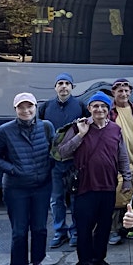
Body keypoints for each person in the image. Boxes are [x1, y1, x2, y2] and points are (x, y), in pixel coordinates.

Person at [57, 92, 133, 265]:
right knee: (84, 228)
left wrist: (127, 179)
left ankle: (98, 260)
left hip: (108, 186)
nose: (99, 110)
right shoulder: (78, 127)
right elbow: (63, 152)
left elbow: (122, 156)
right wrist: (81, 135)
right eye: (95, 106)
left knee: (104, 227)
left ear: (109, 110)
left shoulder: (115, 129)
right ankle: (83, 264)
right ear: (89, 108)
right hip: (84, 186)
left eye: (104, 107)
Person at [0, 92, 55, 265]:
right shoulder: (4, 131)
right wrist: (13, 169)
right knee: (19, 230)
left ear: (36, 107)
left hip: (41, 186)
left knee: (40, 228)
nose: (26, 111)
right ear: (15, 109)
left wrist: (47, 168)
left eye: (30, 106)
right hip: (15, 188)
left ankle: (37, 264)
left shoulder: (46, 126)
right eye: (21, 107)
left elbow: (55, 151)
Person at [38, 73, 86, 249]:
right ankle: (60, 231)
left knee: (75, 198)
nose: (64, 86)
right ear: (55, 87)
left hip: (74, 161)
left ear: (72, 87)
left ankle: (75, 232)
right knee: (56, 199)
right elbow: (39, 131)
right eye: (60, 83)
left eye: (67, 83)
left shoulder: (80, 106)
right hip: (54, 162)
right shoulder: (46, 107)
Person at [108, 78, 133, 244]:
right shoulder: (109, 111)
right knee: (117, 196)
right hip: (115, 162)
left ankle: (128, 227)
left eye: (126, 91)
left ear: (130, 92)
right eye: (119, 91)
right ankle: (114, 230)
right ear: (113, 93)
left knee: (132, 196)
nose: (123, 94)